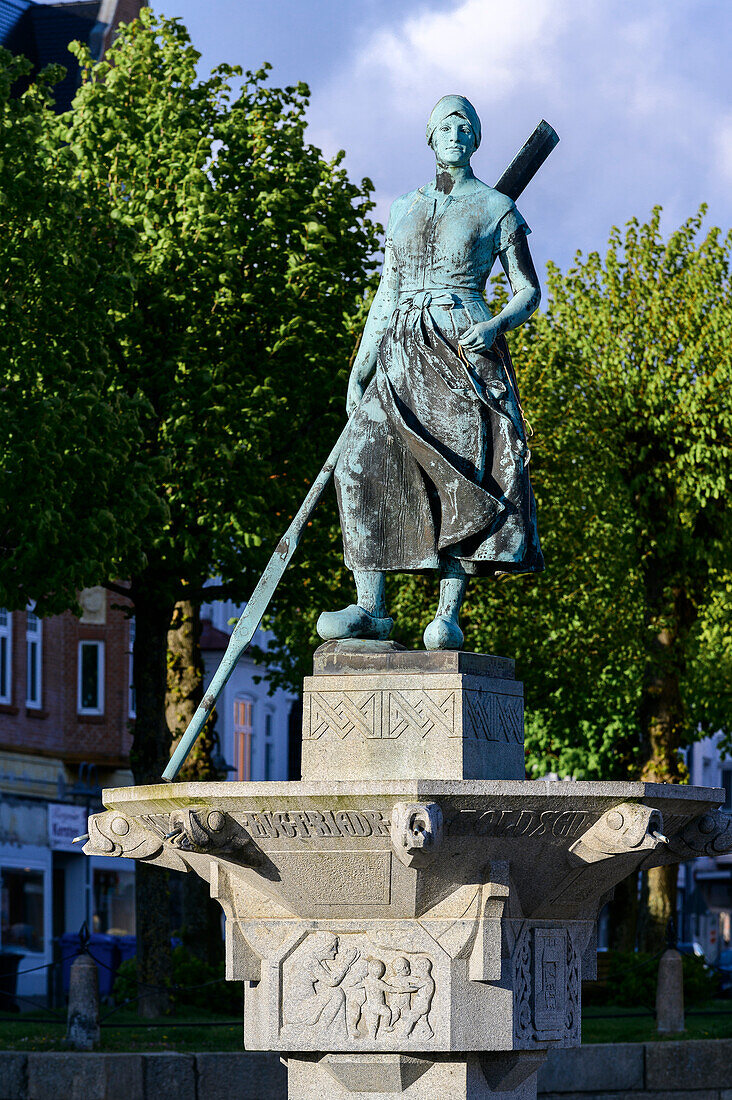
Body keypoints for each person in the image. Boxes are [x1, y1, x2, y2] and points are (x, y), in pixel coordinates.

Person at [317, 95, 543, 650]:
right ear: (431, 136)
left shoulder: (495, 208)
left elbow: (528, 291)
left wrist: (493, 326)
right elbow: (386, 291)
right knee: (362, 461)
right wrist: (361, 363)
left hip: (460, 342)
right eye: (445, 124)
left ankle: (448, 614)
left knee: (462, 473)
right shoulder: (404, 209)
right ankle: (370, 607)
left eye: (464, 124)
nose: (454, 132)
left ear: (475, 138)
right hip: (398, 345)